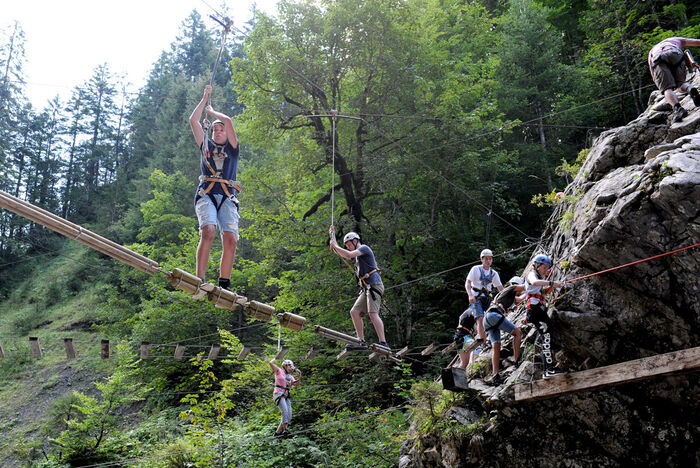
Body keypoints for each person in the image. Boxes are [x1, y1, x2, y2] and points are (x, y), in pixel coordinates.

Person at [189, 84, 241, 291]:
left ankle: (224, 283)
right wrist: (204, 100)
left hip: (228, 195)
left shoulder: (233, 149)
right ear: (211, 132)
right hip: (207, 193)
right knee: (208, 231)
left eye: (222, 130)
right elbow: (193, 121)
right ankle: (199, 280)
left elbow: (228, 121)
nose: (219, 132)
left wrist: (212, 112)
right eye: (215, 129)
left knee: (231, 239)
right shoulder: (206, 146)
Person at [329, 226, 389, 350]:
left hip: (374, 285)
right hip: (366, 288)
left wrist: (335, 245)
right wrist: (332, 237)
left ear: (355, 241)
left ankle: (383, 342)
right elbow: (344, 253)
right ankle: (360, 341)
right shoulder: (356, 256)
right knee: (354, 312)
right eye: (346, 245)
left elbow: (349, 254)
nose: (348, 247)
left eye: (349, 244)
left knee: (373, 313)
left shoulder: (364, 248)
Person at [525, 254, 565, 379]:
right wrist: (551, 282)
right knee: (546, 337)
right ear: (536, 265)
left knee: (548, 334)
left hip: (538, 311)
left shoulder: (538, 277)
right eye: (544, 267)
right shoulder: (531, 274)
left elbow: (541, 292)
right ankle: (548, 370)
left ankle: (549, 368)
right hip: (535, 311)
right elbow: (534, 282)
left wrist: (551, 287)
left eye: (548, 268)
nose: (546, 271)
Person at [484, 276, 525, 385]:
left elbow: (521, 299)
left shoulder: (507, 295)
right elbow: (526, 287)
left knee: (496, 346)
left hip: (488, 318)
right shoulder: (511, 288)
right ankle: (517, 361)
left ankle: (495, 375)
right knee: (517, 333)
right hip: (494, 315)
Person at [647, 37, 700, 122]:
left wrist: (658, 82)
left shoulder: (652, 50)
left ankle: (678, 109)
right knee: (681, 84)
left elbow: (652, 69)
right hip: (675, 53)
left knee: (667, 89)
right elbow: (697, 42)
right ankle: (690, 89)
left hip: (658, 57)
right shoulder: (675, 40)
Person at [465, 249, 504, 350]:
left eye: (490, 259)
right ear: (481, 259)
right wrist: (470, 295)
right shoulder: (475, 269)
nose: (488, 261)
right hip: (476, 297)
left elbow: (500, 288)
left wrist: (506, 300)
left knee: (492, 317)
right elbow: (468, 283)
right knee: (480, 319)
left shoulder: (494, 273)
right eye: (486, 259)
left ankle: (492, 340)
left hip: (488, 297)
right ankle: (483, 343)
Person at [269, 358, 301, 437]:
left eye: (291, 367)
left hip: (286, 395)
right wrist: (277, 357)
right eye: (289, 366)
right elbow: (271, 363)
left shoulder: (290, 377)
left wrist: (299, 376)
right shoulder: (279, 371)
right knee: (285, 411)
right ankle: (285, 429)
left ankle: (277, 432)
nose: (291, 368)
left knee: (289, 415)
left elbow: (296, 385)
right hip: (278, 394)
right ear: (285, 366)